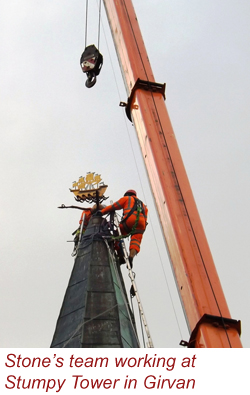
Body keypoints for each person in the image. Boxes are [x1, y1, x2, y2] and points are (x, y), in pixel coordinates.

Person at [99, 190, 148, 267]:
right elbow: (145, 218)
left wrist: (102, 212)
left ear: (127, 194)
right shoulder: (144, 206)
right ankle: (131, 257)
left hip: (130, 220)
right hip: (141, 224)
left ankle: (121, 255)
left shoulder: (127, 199)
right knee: (136, 241)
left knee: (117, 234)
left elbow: (114, 206)